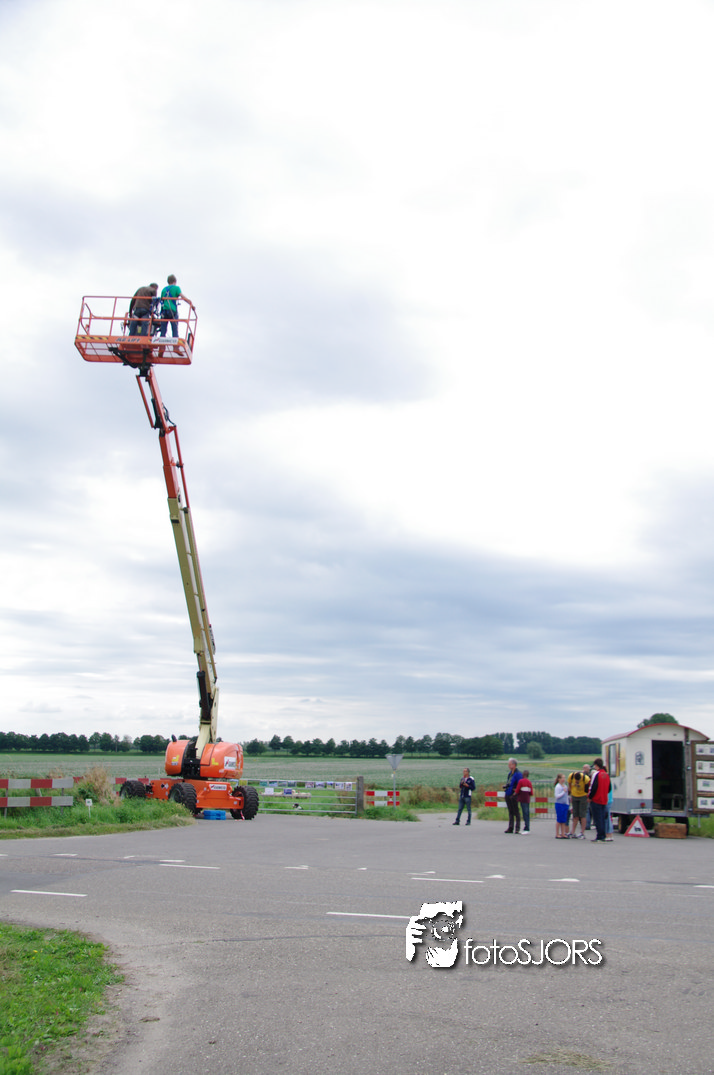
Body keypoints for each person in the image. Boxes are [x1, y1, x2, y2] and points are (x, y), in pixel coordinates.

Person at [588, 758, 611, 842]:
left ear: (596, 765)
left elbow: (593, 787)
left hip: (596, 799)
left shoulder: (596, 774)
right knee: (603, 818)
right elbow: (609, 788)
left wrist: (590, 797)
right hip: (604, 799)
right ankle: (603, 835)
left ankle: (600, 836)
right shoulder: (606, 775)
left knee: (597, 819)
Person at [568, 768, 590, 839]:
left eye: (578, 780)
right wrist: (570, 792)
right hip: (574, 796)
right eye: (576, 780)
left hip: (583, 796)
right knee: (575, 815)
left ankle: (582, 833)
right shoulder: (571, 776)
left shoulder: (585, 778)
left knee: (582, 815)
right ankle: (572, 832)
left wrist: (587, 797)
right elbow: (569, 784)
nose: (577, 782)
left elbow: (588, 788)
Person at [503, 758, 523, 834]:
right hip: (508, 793)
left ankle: (517, 828)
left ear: (514, 765)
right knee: (510, 811)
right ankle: (510, 827)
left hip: (514, 794)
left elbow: (520, 783)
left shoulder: (518, 774)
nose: (508, 766)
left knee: (516, 811)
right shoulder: (510, 774)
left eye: (510, 764)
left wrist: (516, 790)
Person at [514, 769, 534, 833]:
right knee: (527, 813)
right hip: (527, 799)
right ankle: (527, 826)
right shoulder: (529, 782)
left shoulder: (521, 781)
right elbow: (531, 793)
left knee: (524, 813)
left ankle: (526, 828)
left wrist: (514, 793)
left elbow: (517, 790)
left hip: (522, 798)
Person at [554, 773, 569, 838]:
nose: (563, 779)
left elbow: (567, 796)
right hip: (559, 804)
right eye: (562, 778)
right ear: (559, 779)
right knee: (559, 819)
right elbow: (557, 796)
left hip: (565, 804)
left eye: (564, 778)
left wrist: (567, 803)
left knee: (564, 820)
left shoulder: (565, 786)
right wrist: (563, 792)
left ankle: (563, 833)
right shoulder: (558, 786)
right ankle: (557, 833)